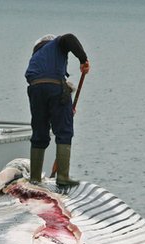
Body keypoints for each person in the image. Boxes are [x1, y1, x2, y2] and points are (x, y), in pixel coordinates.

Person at [24, 33, 90, 186]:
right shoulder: (56, 44)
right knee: (64, 131)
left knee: (39, 132)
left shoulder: (36, 56)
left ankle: (34, 178)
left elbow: (44, 83)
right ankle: (62, 177)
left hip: (35, 90)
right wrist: (83, 59)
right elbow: (69, 38)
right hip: (54, 88)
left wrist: (64, 109)